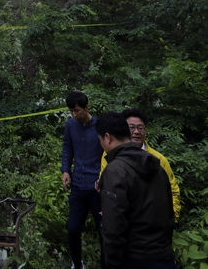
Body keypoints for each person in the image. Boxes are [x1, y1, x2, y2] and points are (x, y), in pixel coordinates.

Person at [96, 112, 175, 269]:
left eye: (99, 140)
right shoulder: (157, 166)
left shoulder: (114, 170)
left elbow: (113, 227)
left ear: (107, 137)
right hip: (163, 256)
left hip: (133, 257)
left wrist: (112, 262)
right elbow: (169, 213)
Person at [99, 109, 181, 221]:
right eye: (131, 127)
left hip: (155, 221)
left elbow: (173, 191)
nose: (136, 132)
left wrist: (171, 219)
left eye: (140, 128)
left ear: (145, 131)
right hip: (124, 220)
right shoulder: (108, 155)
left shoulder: (158, 159)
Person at [61, 91, 105, 269]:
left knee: (104, 230)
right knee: (73, 229)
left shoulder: (100, 126)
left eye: (77, 110)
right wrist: (65, 170)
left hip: (97, 187)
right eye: (71, 111)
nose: (74, 114)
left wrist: (104, 176)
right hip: (78, 184)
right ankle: (77, 264)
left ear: (87, 107)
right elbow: (67, 149)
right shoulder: (70, 125)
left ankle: (106, 264)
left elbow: (108, 153)